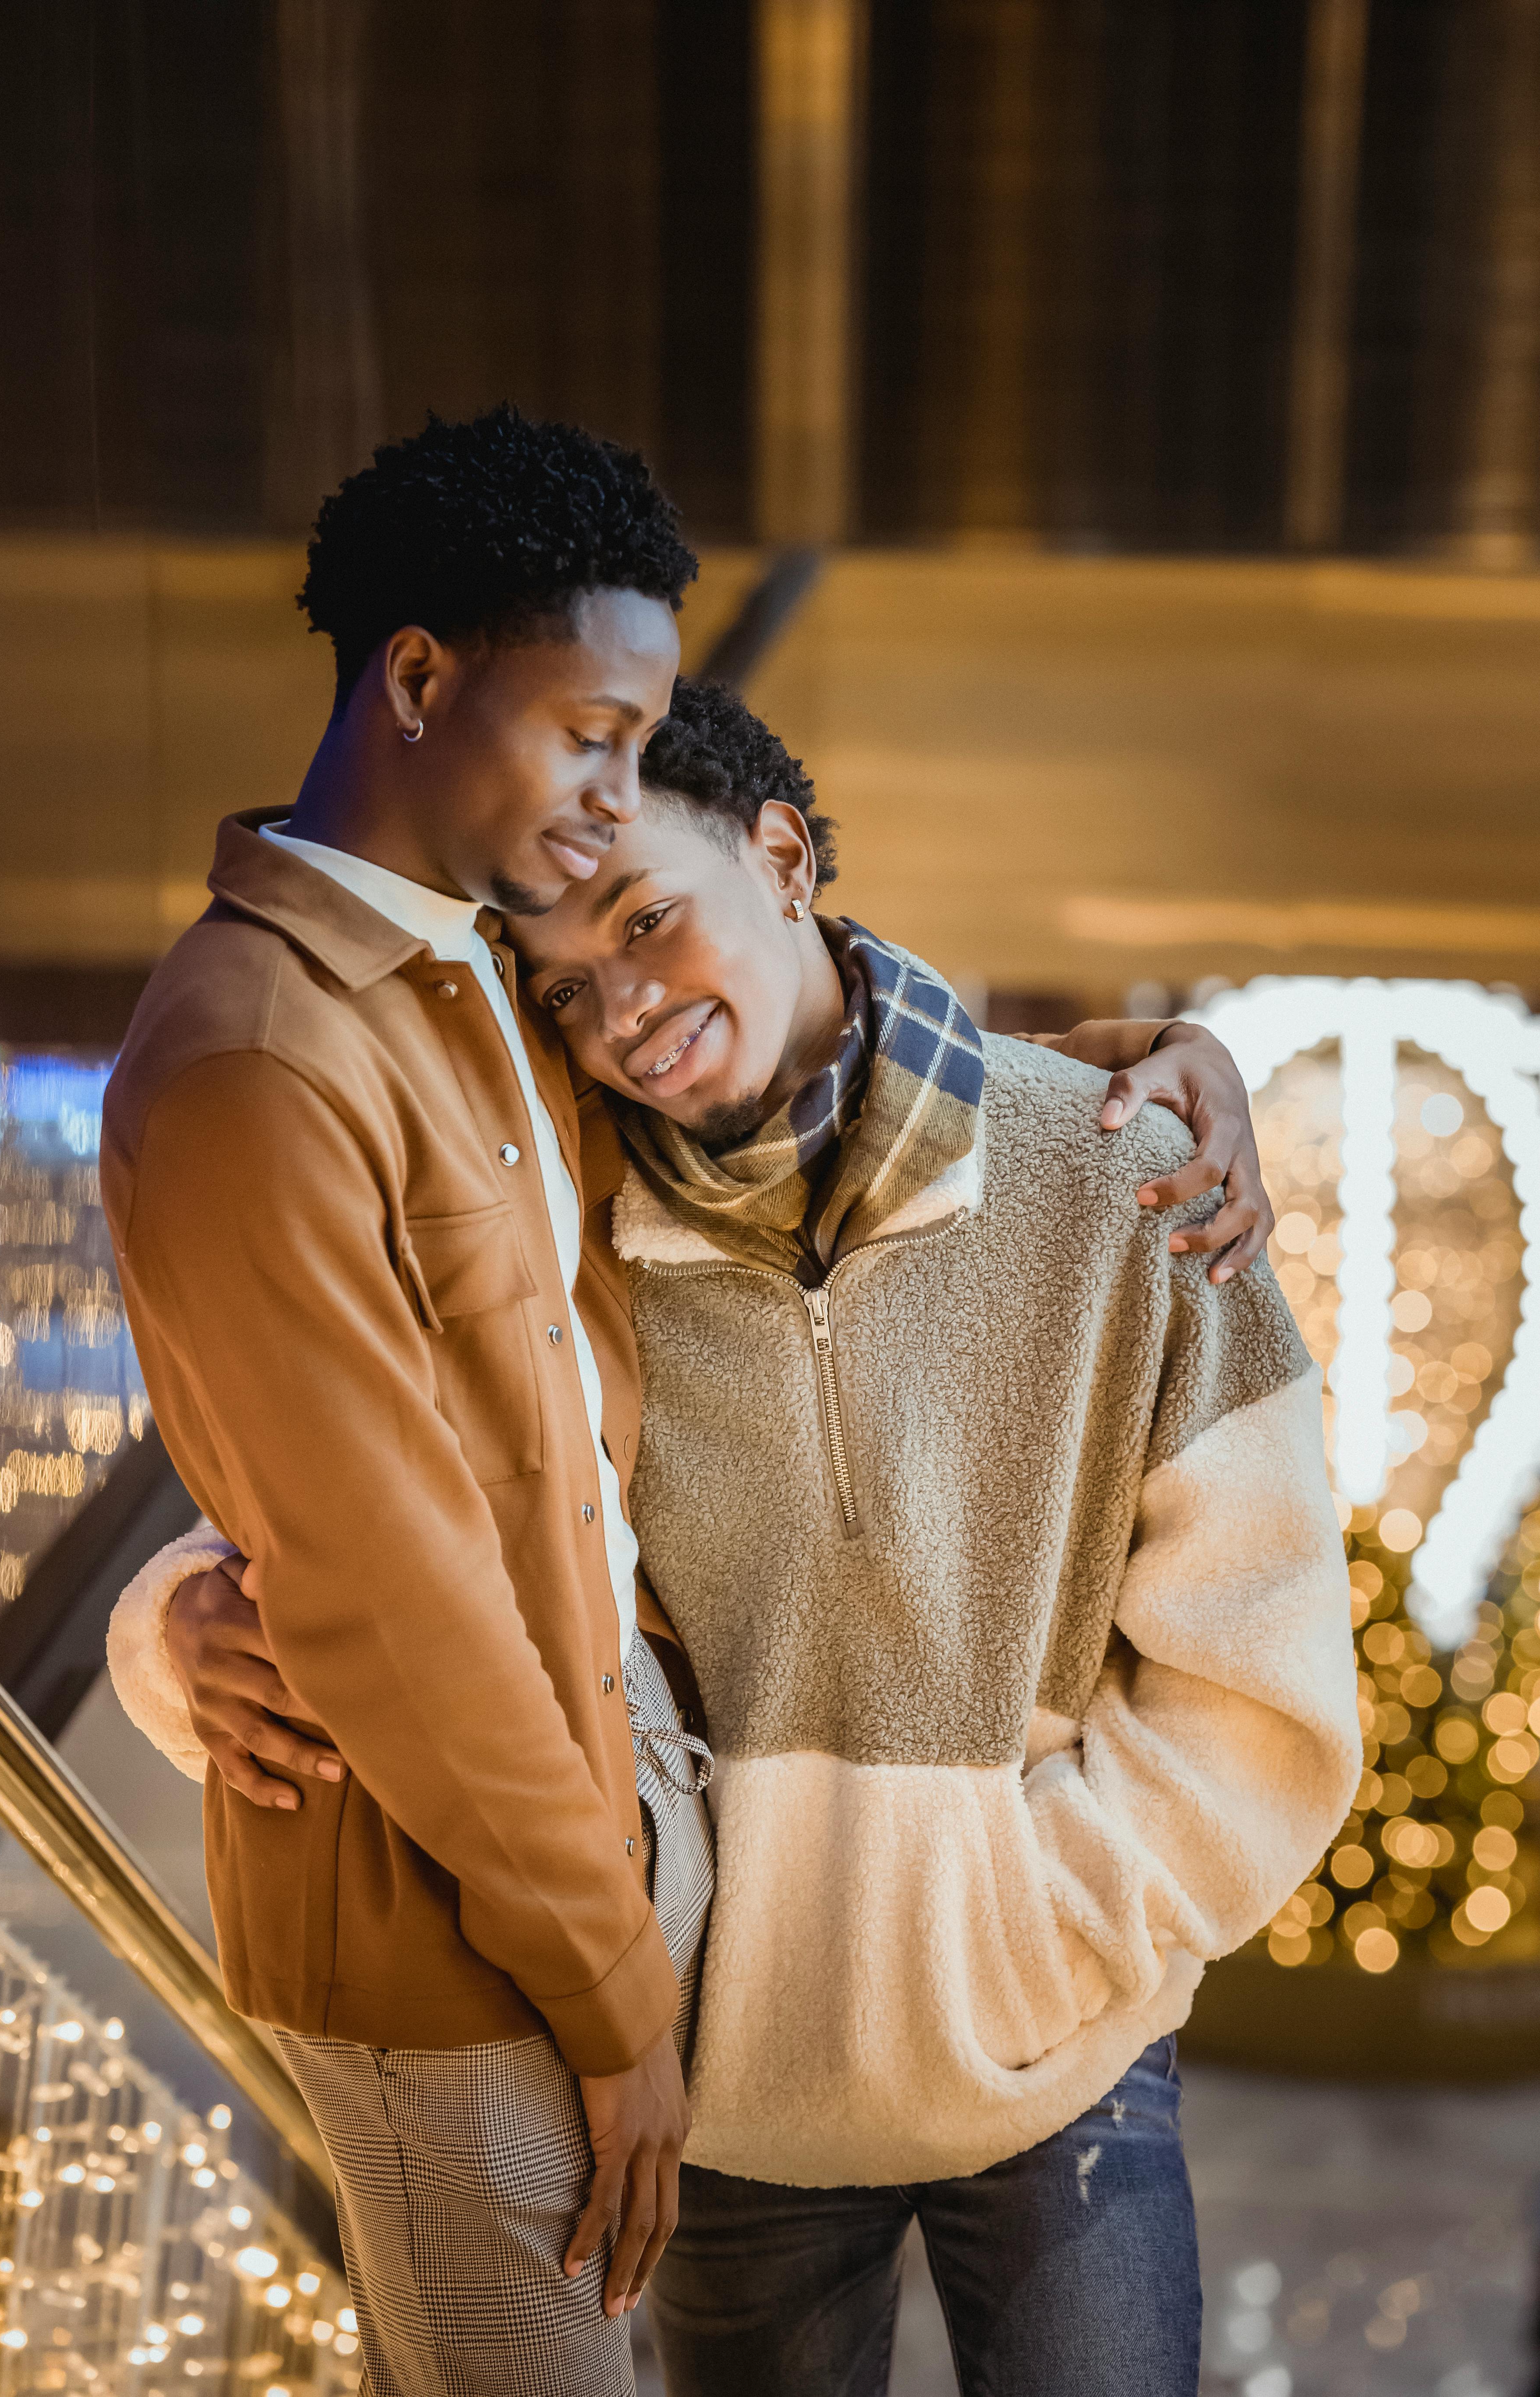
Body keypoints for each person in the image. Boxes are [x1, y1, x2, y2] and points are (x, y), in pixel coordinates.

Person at [108, 523, 1307, 2384]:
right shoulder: (571, 1223)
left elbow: (1265, 1656)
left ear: (779, 853)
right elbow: (371, 1508)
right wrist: (174, 1623)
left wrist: (1061, 1924)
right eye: (565, 993)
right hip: (721, 2080)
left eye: (646, 924)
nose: (624, 1019)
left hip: (1060, 2062)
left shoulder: (1106, 1165)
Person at [99, 407, 712, 2397]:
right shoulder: (256, 1059)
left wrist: (1147, 1061)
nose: (623, 801)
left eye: (642, 748)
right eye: (592, 736)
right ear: (422, 677)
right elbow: (394, 1585)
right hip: (441, 1954)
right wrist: (615, 1993)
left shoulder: (483, 984)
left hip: (563, 1875)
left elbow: (795, 983)